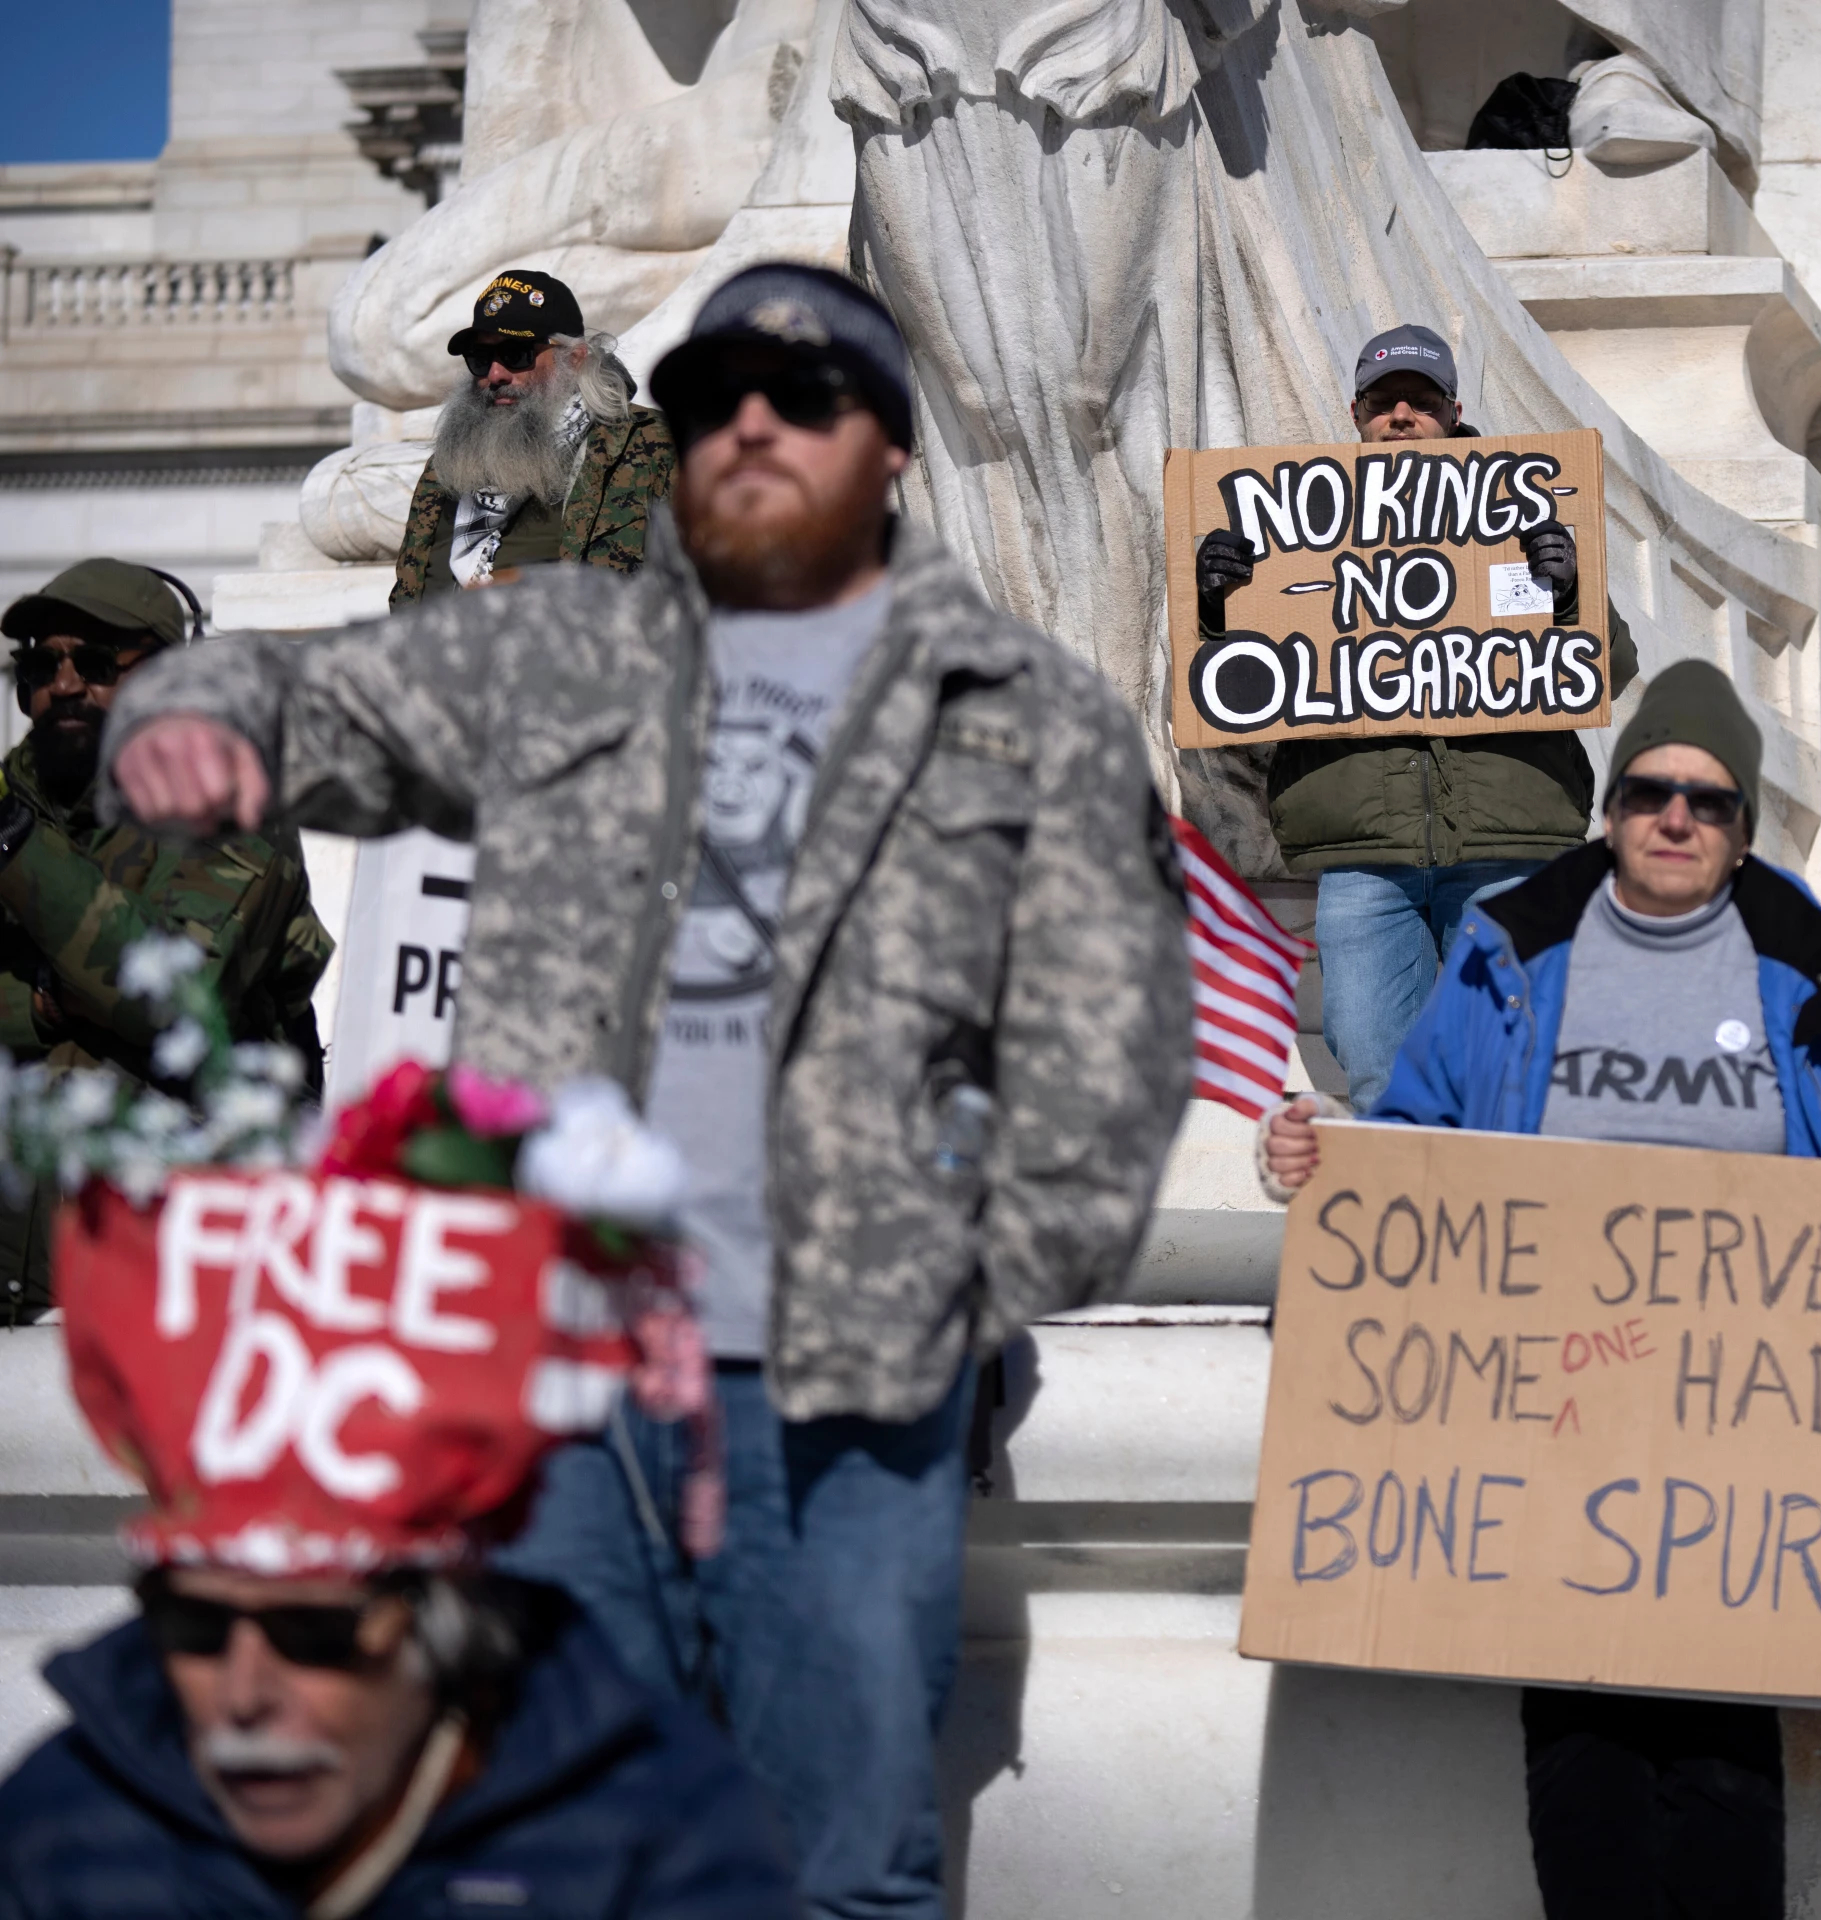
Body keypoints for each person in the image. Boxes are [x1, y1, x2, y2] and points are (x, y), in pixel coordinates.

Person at [102, 262, 1193, 1920]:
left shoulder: (1021, 713)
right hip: (559, 1386)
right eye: (716, 398)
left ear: (891, 449)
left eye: (806, 396)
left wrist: (981, 1273)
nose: (753, 423)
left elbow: (1115, 1043)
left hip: (843, 1393)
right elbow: (311, 704)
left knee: (844, 1863)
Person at [1261, 661, 1821, 1920]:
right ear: (1608, 810)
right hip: (1556, 1423)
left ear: (1743, 831)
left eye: (1707, 803)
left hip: (1746, 1450)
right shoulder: (1513, 947)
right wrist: (1322, 1153)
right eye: (1650, 791)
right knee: (1583, 1775)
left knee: (1725, 1782)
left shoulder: (1815, 970)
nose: (1674, 818)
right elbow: (1422, 1129)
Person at [0, 1172, 797, 1917]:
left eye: (314, 1636)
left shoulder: (663, 1832)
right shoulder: (60, 1828)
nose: (244, 1697)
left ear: (447, 1633)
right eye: (194, 1628)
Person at [1195, 321, 1640, 1113]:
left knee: (1506, 1068)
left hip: (1511, 848)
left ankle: (1502, 1227)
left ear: (1455, 409)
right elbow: (1235, 687)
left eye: (1422, 400)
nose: (1402, 416)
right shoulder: (1292, 531)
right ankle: (1406, 1230)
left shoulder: (1523, 512)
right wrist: (1219, 607)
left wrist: (1569, 592)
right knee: (1374, 1069)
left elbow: (1613, 666)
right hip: (1364, 859)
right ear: (1357, 411)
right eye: (1383, 401)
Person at [0, 560, 332, 1326]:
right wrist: (50, 1004)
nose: (66, 684)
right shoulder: (18, 804)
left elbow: (171, 996)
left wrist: (14, 846)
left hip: (173, 1285)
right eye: (44, 663)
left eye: (96, 662)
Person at [389, 268, 675, 606]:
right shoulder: (449, 466)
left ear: (574, 358)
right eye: (481, 359)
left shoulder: (647, 447)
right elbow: (410, 599)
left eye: (516, 354)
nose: (495, 375)